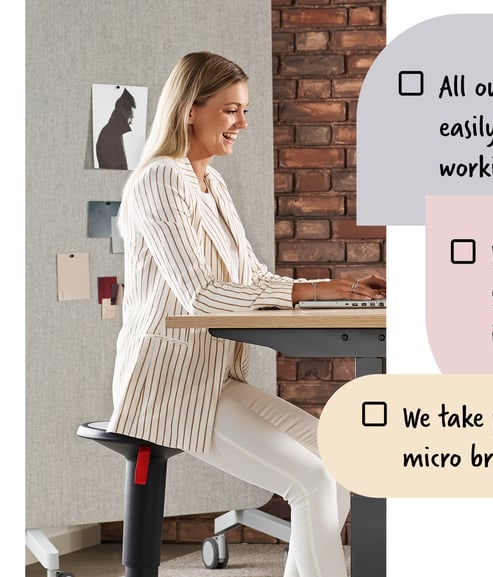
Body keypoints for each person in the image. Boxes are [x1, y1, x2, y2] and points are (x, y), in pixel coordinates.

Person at [108, 51, 385, 577]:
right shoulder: (161, 181)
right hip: (171, 383)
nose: (242, 124)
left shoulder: (212, 184)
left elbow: (252, 279)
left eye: (246, 111)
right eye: (231, 110)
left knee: (341, 464)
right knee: (311, 481)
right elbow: (202, 296)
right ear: (191, 109)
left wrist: (331, 287)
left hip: (216, 376)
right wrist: (310, 295)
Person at [96, 87, 136, 169]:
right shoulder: (109, 136)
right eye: (130, 117)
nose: (131, 122)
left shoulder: (113, 133)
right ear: (122, 112)